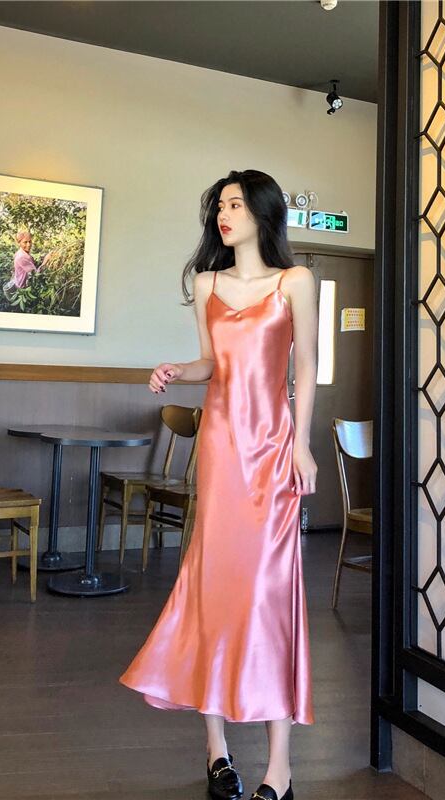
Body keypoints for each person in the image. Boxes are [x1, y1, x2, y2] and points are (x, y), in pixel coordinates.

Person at [118, 169, 318, 800]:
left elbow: (307, 366)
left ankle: (280, 767)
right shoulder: (206, 283)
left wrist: (302, 444)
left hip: (273, 449)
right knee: (212, 586)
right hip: (222, 448)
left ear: (263, 212)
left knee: (271, 591)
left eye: (235, 204)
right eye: (219, 207)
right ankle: (217, 750)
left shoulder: (295, 282)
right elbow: (212, 363)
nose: (224, 215)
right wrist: (176, 370)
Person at [3, 230, 52, 297]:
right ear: (19, 243)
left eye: (30, 241)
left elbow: (30, 262)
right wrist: (45, 261)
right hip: (23, 291)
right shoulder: (22, 257)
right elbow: (36, 275)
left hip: (19, 283)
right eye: (25, 242)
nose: (28, 245)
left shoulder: (21, 252)